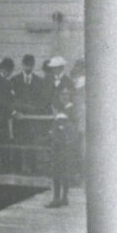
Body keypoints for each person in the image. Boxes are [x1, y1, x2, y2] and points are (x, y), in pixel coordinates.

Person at [47, 57, 77, 207]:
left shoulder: (68, 82)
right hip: (56, 129)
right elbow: (49, 100)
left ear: (62, 68)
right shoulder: (50, 80)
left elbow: (71, 105)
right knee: (56, 165)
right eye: (53, 68)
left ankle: (63, 197)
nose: (55, 70)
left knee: (64, 166)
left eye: (57, 68)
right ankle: (58, 197)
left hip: (66, 132)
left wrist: (61, 113)